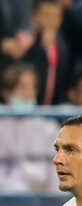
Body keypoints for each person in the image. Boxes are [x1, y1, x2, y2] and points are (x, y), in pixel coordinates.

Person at [0, 63, 61, 192]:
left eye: (32, 88)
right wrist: (23, 188)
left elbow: (57, 170)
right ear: (7, 92)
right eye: (22, 88)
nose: (28, 94)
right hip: (8, 198)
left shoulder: (48, 127)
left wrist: (52, 194)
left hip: (43, 199)